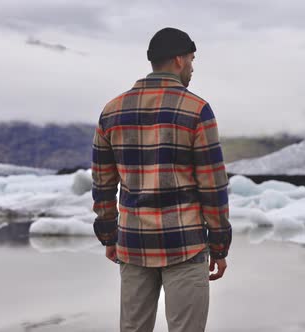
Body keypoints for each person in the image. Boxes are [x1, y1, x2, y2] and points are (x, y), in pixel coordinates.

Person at [91, 27, 232, 332]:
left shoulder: (111, 111)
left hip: (133, 242)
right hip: (186, 243)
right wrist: (219, 245)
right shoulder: (197, 110)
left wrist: (108, 234)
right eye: (192, 60)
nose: (193, 68)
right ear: (179, 60)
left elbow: (102, 184)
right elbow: (213, 186)